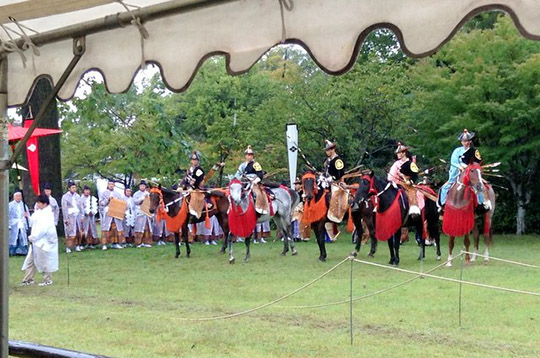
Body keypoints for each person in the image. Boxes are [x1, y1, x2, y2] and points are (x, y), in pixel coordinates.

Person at [438, 129, 489, 211]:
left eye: (467, 141)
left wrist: (469, 167)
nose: (465, 142)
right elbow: (453, 162)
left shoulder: (474, 151)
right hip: (458, 172)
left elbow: (477, 162)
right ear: (461, 142)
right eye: (464, 141)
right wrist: (460, 166)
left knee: (479, 186)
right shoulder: (457, 151)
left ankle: (481, 204)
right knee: (444, 187)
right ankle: (442, 204)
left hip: (471, 172)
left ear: (470, 141)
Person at [21, 194, 58, 286]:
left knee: (44, 260)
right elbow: (32, 222)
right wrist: (27, 217)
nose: (37, 204)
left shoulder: (48, 214)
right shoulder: (38, 212)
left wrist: (33, 237)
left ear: (45, 204)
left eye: (39, 203)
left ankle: (47, 279)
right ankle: (28, 279)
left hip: (44, 241)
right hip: (36, 241)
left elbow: (43, 229)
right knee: (31, 260)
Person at [235, 145, 268, 214]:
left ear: (253, 156)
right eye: (247, 155)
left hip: (253, 182)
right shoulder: (242, 165)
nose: (249, 156)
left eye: (251, 155)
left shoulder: (256, 164)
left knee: (257, 192)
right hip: (243, 182)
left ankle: (260, 207)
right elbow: (237, 175)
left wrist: (255, 181)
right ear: (245, 156)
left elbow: (260, 174)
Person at [99, 179, 125, 250]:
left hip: (115, 213)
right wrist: (108, 199)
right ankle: (104, 244)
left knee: (115, 228)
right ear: (108, 185)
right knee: (106, 228)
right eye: (110, 184)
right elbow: (101, 203)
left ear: (114, 185)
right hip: (107, 213)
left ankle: (115, 243)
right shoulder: (104, 193)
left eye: (112, 184)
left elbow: (121, 202)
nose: (111, 186)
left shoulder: (117, 194)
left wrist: (116, 200)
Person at [61, 181, 83, 253]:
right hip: (70, 216)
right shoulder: (65, 197)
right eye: (72, 188)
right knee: (69, 231)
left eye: (75, 187)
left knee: (77, 230)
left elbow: (81, 206)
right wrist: (66, 218)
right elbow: (64, 208)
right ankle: (68, 247)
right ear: (69, 188)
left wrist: (82, 215)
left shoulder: (77, 196)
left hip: (77, 215)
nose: (74, 189)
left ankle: (77, 245)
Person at [9, 189, 30, 256]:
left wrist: (27, 222)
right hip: (13, 223)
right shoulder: (10, 205)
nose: (18, 197)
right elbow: (8, 215)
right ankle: (13, 252)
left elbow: (27, 215)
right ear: (14, 197)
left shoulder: (24, 205)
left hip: (22, 223)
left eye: (19, 196)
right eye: (17, 196)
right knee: (14, 237)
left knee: (22, 237)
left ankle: (22, 251)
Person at [133, 180, 153, 248]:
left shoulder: (148, 193)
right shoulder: (136, 194)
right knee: (139, 227)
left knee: (147, 227)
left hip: (146, 212)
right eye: (141, 186)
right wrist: (142, 198)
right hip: (139, 211)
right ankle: (139, 243)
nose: (142, 187)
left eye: (143, 186)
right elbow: (135, 202)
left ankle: (147, 242)